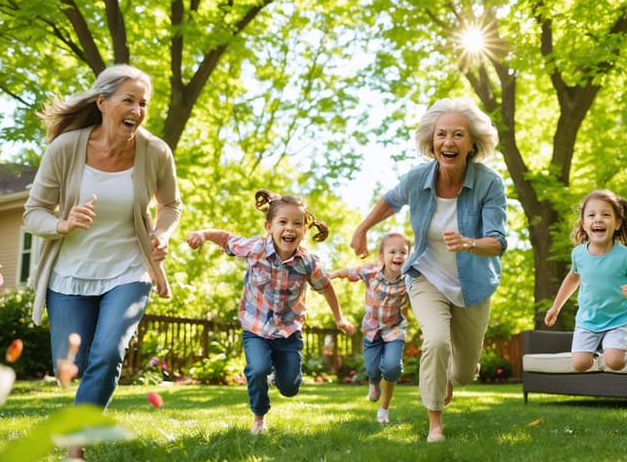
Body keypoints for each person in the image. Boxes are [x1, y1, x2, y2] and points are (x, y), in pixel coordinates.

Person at [23, 64, 182, 457]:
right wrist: (63, 223)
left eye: (143, 103)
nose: (137, 109)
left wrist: (160, 235)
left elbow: (170, 205)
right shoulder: (67, 147)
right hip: (70, 274)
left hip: (128, 269)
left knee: (108, 353)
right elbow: (32, 213)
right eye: (128, 100)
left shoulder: (154, 151)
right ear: (102, 102)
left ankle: (76, 446)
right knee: (71, 366)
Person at [350, 97, 507, 443]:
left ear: (472, 144)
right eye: (441, 135)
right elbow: (391, 200)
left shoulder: (489, 183)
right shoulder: (418, 178)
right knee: (435, 340)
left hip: (474, 284)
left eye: (458, 135)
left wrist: (469, 243)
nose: (448, 142)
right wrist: (362, 229)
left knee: (465, 373)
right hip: (426, 275)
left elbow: (498, 240)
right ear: (431, 141)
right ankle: (435, 423)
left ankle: (452, 373)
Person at [187, 189, 356, 435]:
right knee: (256, 369)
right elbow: (225, 238)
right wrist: (202, 234)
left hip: (288, 332)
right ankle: (259, 419)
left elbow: (326, 288)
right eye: (283, 222)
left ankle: (279, 376)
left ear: (304, 230)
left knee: (289, 387)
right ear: (269, 227)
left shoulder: (308, 263)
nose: (290, 228)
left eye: (297, 224)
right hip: (256, 327)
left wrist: (339, 318)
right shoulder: (255, 248)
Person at [544, 189, 627, 372]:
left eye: (606, 215)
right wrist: (556, 307)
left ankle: (618, 352)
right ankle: (600, 351)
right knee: (580, 364)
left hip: (619, 318)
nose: (598, 219)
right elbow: (572, 279)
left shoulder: (625, 256)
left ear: (617, 224)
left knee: (614, 362)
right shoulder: (578, 254)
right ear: (584, 224)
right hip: (588, 320)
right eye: (591, 215)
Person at [329, 232, 411, 423]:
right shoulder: (370, 272)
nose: (398, 256)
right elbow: (347, 272)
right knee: (372, 370)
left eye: (403, 252)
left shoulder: (409, 280)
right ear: (382, 256)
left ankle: (384, 410)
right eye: (392, 252)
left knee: (391, 369)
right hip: (372, 331)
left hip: (394, 330)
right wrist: (331, 275)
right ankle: (374, 383)